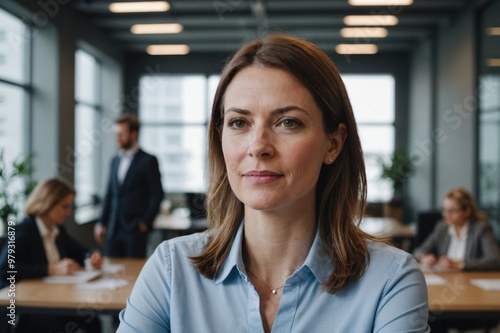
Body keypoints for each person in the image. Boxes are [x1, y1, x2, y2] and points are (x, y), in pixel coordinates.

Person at [117, 35, 430, 332]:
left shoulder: (390, 279)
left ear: (332, 144)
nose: (258, 146)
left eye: (288, 122)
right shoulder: (170, 270)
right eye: (239, 122)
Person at [0, 177, 102, 333]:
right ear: (48, 204)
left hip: (56, 298)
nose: (68, 213)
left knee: (92, 319)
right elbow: (5, 269)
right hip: (31, 307)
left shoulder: (57, 230)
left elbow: (80, 250)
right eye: (65, 207)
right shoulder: (21, 232)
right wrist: (50, 269)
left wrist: (91, 255)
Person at [94, 113, 163, 258]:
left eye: (121, 134)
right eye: (115, 134)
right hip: (113, 227)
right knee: (111, 271)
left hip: (135, 228)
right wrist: (101, 222)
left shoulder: (148, 160)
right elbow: (109, 194)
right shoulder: (114, 161)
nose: (117, 138)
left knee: (133, 272)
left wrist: (145, 222)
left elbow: (156, 195)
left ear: (133, 134)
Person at [413, 187, 500, 271]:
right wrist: (423, 258)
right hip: (447, 279)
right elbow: (418, 251)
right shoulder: (442, 227)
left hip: (470, 280)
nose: (446, 215)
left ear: (467, 211)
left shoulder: (481, 229)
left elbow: (495, 260)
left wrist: (459, 264)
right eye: (444, 210)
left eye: (452, 211)